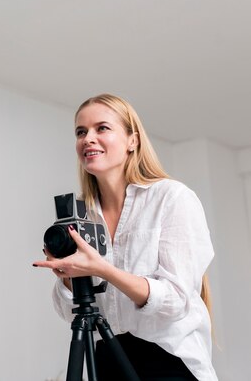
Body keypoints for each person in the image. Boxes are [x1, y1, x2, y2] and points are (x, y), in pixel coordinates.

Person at [33, 94, 217, 380]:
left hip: (167, 360)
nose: (88, 138)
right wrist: (69, 278)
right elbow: (74, 315)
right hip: (109, 358)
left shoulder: (171, 198)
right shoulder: (81, 217)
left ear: (133, 140)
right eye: (81, 132)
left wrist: (103, 269)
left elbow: (175, 300)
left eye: (102, 128)